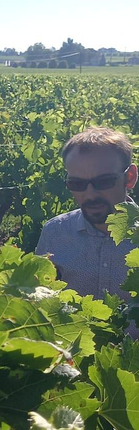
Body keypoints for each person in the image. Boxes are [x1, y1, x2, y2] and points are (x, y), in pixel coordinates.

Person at [36, 127, 137, 303]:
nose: (90, 195)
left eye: (103, 181)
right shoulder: (55, 233)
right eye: (77, 184)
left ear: (130, 177)